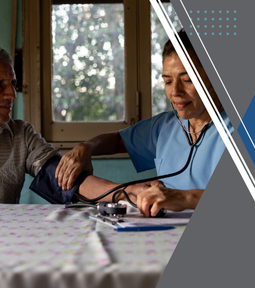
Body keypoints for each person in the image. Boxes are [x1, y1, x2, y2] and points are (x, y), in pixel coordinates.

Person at [56, 30, 233, 217]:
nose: (175, 91)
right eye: (167, 81)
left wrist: (185, 198)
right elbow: (117, 140)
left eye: (188, 80)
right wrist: (86, 148)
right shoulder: (165, 127)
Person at [0, 43, 62, 203]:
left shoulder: (21, 134)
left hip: (4, 229)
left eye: (13, 84)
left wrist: (117, 194)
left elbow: (60, 174)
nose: (12, 95)